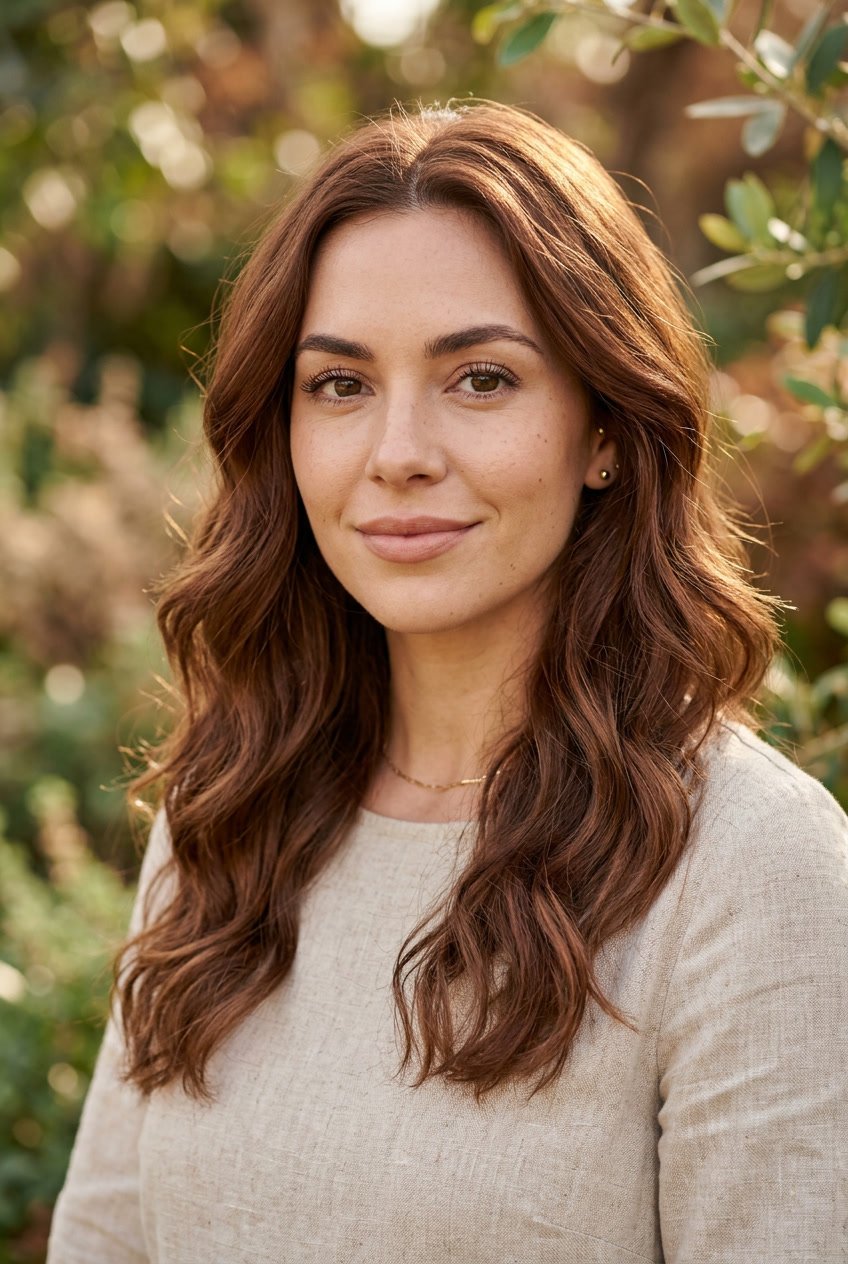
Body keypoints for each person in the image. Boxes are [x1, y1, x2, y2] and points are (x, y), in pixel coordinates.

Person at [47, 100, 847, 1264]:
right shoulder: (226, 815)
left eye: (478, 379)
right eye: (338, 385)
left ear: (606, 433)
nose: (399, 451)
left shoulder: (745, 866)